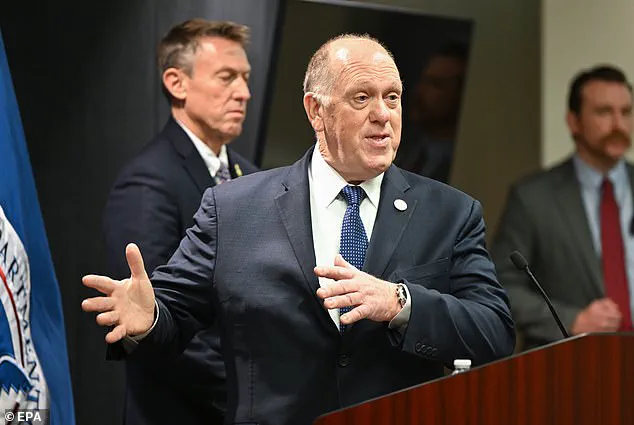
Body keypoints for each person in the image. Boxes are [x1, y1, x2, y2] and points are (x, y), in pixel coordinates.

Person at [84, 34, 515, 425]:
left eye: (392, 97)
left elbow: (494, 331)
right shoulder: (232, 209)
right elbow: (173, 317)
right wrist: (148, 319)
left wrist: (400, 303)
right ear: (316, 110)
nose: (383, 114)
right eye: (362, 98)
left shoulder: (450, 212)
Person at [102, 19, 258, 425]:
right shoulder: (148, 181)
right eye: (226, 77)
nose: (243, 92)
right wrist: (252, 394)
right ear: (177, 83)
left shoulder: (252, 177)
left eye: (245, 77)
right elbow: (154, 319)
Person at [491, 65, 634, 350]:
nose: (618, 124)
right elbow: (500, 285)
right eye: (604, 112)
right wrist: (572, 320)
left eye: (626, 112)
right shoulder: (533, 197)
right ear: (574, 122)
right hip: (570, 360)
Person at [395, 43, 469, 183]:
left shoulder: (465, 165)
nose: (420, 91)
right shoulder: (407, 152)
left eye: (436, 84)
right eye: (424, 81)